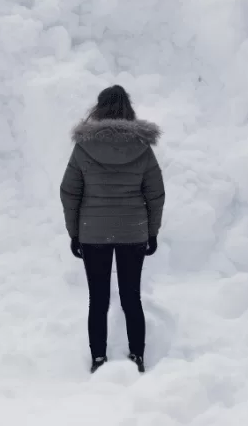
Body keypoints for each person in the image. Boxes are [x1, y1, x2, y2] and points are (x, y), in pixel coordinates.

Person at [60, 85, 165, 374]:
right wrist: (152, 231)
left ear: (99, 109)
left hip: (93, 232)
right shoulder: (142, 147)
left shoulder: (83, 147)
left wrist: (74, 233)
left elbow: (70, 192)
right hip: (133, 231)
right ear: (128, 110)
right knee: (132, 297)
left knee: (99, 299)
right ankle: (138, 357)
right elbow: (155, 193)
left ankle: (98, 359)